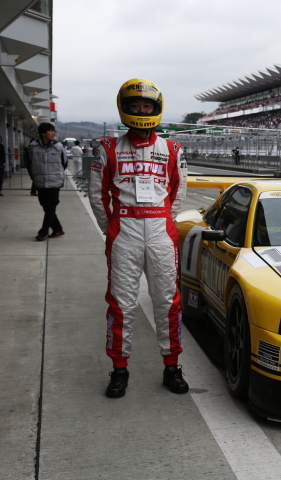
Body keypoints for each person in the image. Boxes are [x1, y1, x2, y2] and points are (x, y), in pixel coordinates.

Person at [89, 79, 188, 398]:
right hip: (124, 232)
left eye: (147, 106)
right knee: (121, 304)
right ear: (125, 108)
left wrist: (162, 220)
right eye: (136, 105)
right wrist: (111, 228)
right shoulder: (107, 148)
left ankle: (171, 367)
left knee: (168, 302)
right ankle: (119, 369)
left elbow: (178, 192)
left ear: (156, 108)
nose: (142, 111)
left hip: (160, 231)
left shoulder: (172, 149)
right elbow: (97, 194)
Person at [26, 123, 67, 240]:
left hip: (54, 182)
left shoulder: (58, 147)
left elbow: (64, 163)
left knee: (50, 207)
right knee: (45, 206)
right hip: (40, 182)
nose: (53, 133)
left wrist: (56, 175)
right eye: (50, 131)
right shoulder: (33, 147)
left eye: (53, 131)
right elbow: (29, 163)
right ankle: (58, 229)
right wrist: (34, 177)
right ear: (43, 133)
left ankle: (43, 232)